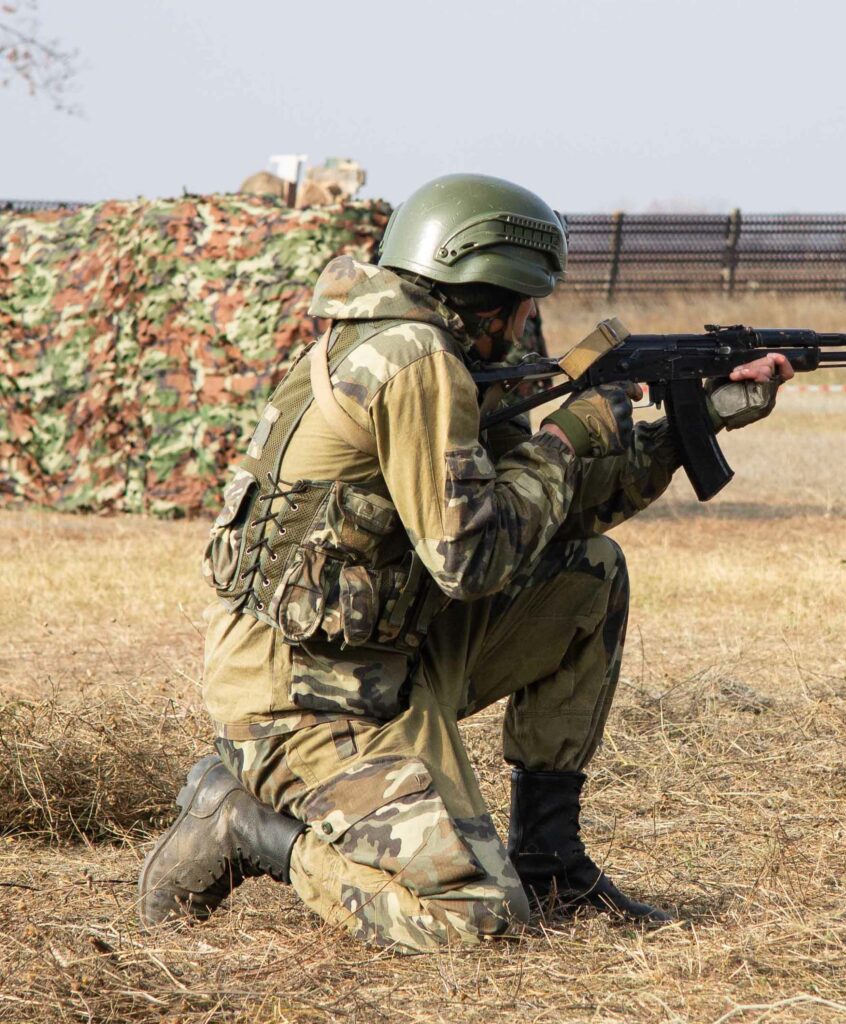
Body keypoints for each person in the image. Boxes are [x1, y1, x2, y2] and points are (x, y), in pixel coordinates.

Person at [137, 173, 792, 951]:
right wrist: (565, 438)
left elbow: (555, 514)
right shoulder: (413, 364)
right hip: (304, 699)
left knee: (589, 573)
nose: (528, 326)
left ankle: (549, 858)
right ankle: (248, 827)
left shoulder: (422, 349)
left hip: (386, 661)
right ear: (490, 297)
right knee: (474, 915)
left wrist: (700, 418)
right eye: (526, 307)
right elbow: (472, 562)